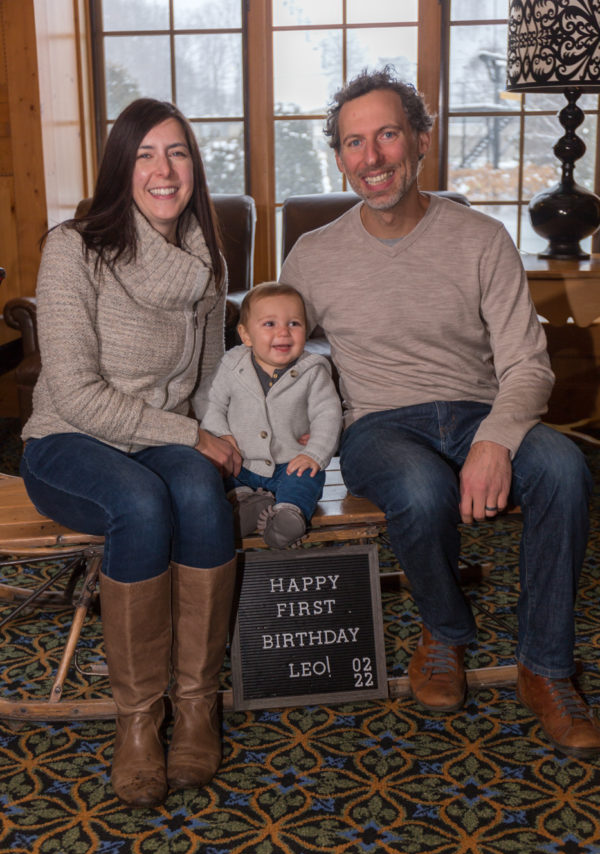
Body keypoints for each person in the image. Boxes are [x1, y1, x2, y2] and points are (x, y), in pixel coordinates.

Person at [280, 67, 599, 758]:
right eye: (354, 142)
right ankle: (446, 633)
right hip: (378, 424)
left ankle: (545, 666)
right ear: (339, 155)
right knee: (420, 493)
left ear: (421, 139)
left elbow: (526, 364)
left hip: (480, 408)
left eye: (388, 134)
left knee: (567, 469)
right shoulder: (312, 255)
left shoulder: (482, 239)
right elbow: (280, 358)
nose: (372, 157)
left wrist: (496, 439)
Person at [20, 98, 243, 807]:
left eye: (176, 152)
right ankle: (140, 725)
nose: (163, 169)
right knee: (142, 503)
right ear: (122, 167)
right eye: (144, 153)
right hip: (68, 441)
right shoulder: (73, 248)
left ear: (194, 167)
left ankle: (198, 705)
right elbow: (77, 393)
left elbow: (207, 384)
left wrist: (217, 437)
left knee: (203, 492)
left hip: (156, 438)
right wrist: (192, 437)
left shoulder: (208, 267)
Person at [202, 281, 342, 548]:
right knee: (215, 472)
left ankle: (289, 514)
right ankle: (245, 504)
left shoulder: (313, 371)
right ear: (245, 335)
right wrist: (222, 435)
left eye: (294, 324)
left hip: (290, 460)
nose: (284, 332)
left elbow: (328, 414)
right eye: (270, 324)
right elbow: (212, 403)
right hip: (242, 460)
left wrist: (314, 452)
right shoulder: (232, 365)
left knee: (307, 478)